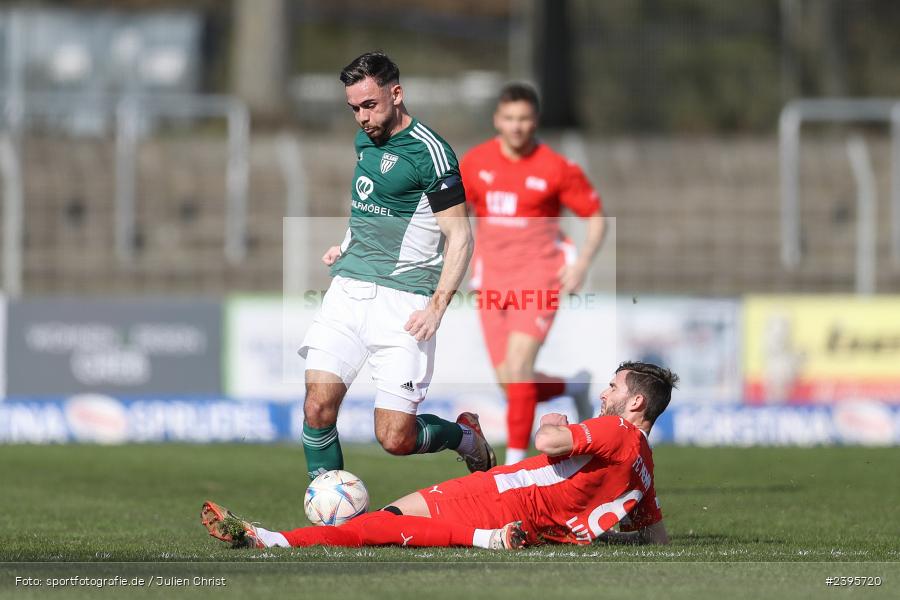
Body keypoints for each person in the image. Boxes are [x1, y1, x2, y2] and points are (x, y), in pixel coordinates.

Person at [202, 361, 675, 550]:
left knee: (385, 523)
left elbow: (550, 442)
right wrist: (609, 538)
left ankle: (270, 539)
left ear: (635, 403)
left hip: (501, 497)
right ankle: (487, 538)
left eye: (614, 387)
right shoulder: (644, 465)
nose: (606, 393)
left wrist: (554, 422)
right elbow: (655, 536)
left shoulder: (616, 429)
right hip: (533, 521)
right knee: (388, 520)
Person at [298, 51, 493, 480]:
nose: (363, 118)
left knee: (395, 438)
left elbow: (460, 237)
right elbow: (372, 203)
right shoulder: (364, 141)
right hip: (349, 290)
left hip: (404, 303)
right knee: (317, 406)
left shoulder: (432, 153)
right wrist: (347, 244)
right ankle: (329, 508)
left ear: (397, 93)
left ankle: (464, 437)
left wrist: (437, 308)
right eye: (354, 109)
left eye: (370, 105)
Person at [459, 83, 607, 465]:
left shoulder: (555, 167)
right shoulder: (475, 163)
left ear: (535, 120)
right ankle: (572, 386)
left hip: (539, 278)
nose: (517, 126)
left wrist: (582, 263)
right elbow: (455, 217)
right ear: (497, 120)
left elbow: (595, 218)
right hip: (491, 282)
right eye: (509, 118)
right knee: (511, 384)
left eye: (524, 118)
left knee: (521, 368)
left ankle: (512, 466)